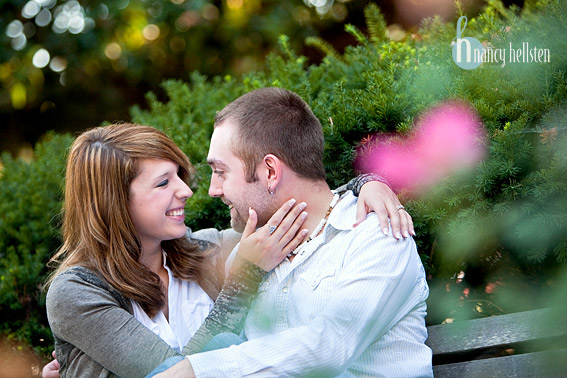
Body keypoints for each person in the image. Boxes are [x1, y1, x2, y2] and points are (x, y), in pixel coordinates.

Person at [43, 123, 411, 377]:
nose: (186, 192)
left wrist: (366, 184)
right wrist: (243, 280)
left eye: (179, 177)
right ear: (114, 203)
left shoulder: (208, 251)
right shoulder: (77, 293)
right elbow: (173, 374)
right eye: (162, 183)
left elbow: (307, 205)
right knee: (223, 341)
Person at [153, 88, 432, 377]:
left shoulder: (376, 234)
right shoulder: (251, 254)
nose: (213, 190)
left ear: (271, 172)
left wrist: (197, 370)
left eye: (221, 172)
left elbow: (331, 346)